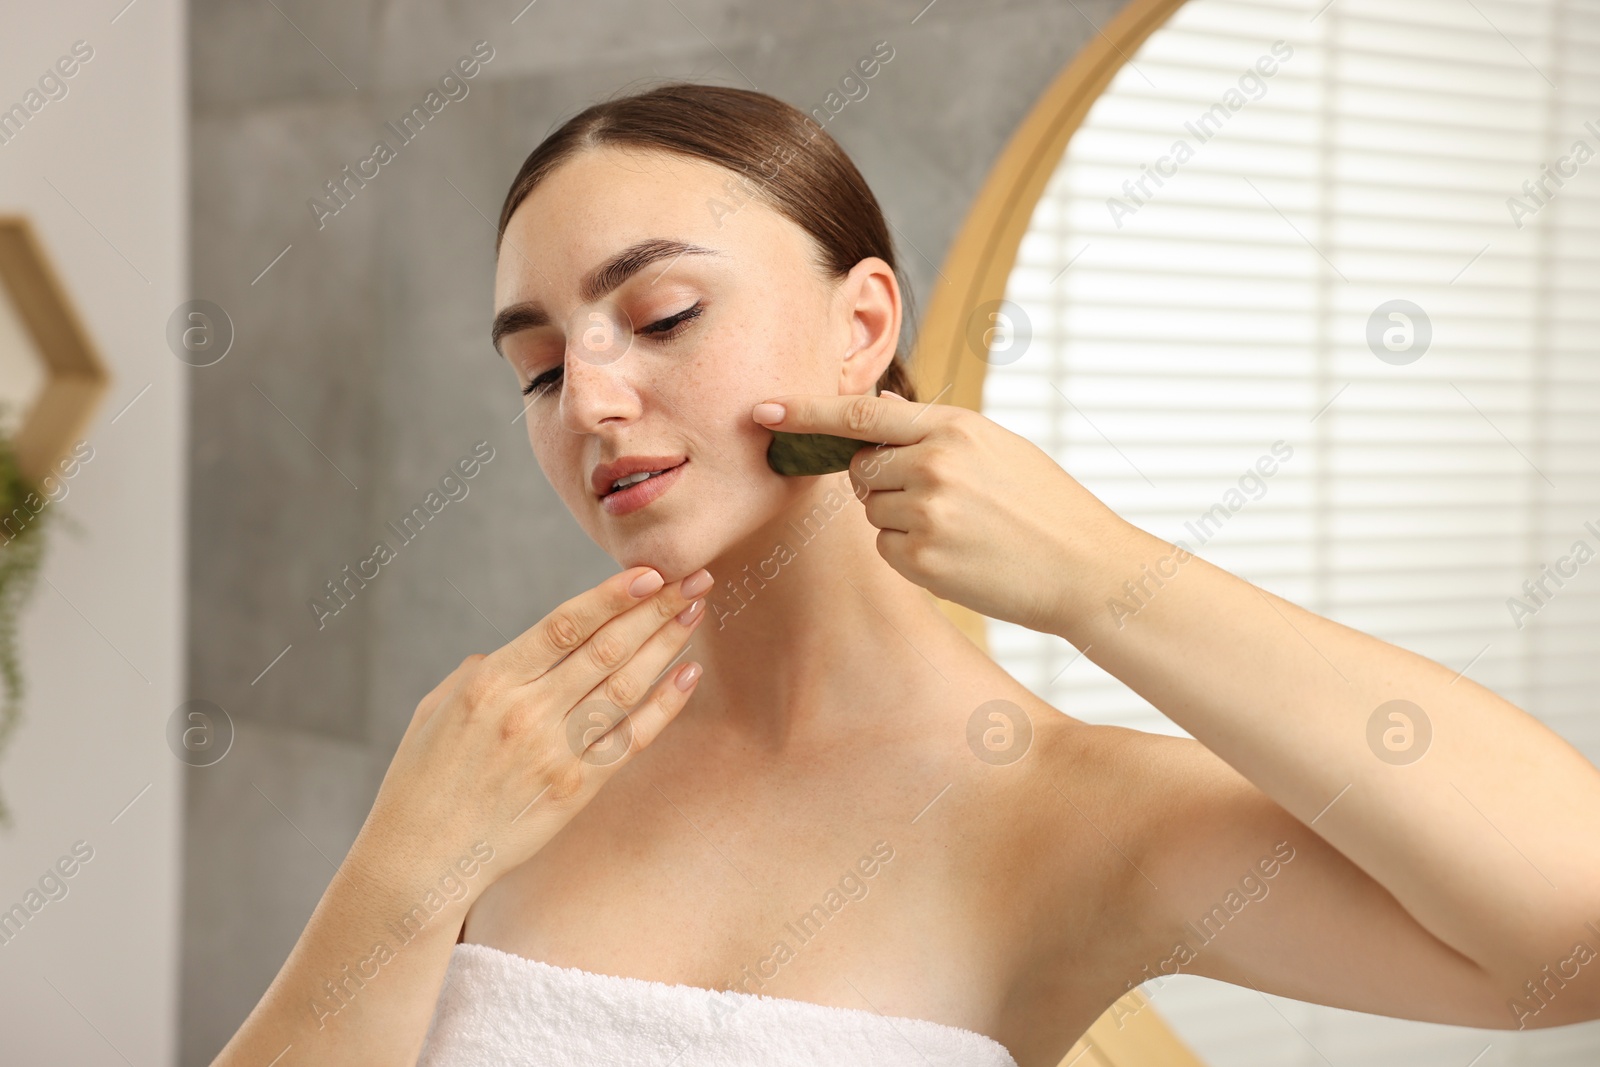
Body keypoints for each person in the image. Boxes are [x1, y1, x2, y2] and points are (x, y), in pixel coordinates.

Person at [211, 83, 1600, 1067]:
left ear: (861, 323)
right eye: (537, 366)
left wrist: (1102, 573)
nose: (588, 401)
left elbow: (1571, 934)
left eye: (664, 314)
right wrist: (404, 867)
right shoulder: (513, 764)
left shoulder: (1060, 816)